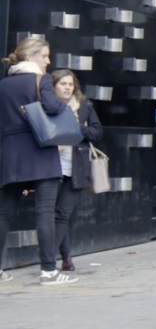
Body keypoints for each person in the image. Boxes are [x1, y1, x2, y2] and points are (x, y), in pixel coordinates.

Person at [0, 37, 78, 285]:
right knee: (45, 212)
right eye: (44, 56)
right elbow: (53, 108)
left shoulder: (3, 85)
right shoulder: (41, 80)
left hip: (10, 152)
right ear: (30, 56)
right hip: (40, 149)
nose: (48, 61)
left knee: (3, 213)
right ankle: (48, 271)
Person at [49, 69, 103, 272]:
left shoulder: (84, 106)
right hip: (51, 166)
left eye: (70, 84)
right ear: (53, 86)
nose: (67, 88)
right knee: (53, 214)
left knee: (62, 214)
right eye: (63, 84)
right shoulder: (47, 107)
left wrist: (76, 126)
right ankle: (66, 257)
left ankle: (49, 262)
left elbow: (97, 133)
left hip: (76, 167)